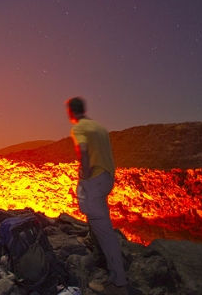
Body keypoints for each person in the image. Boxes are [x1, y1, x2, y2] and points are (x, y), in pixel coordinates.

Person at [65, 97, 128, 295]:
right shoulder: (99, 128)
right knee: (100, 225)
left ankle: (118, 284)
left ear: (70, 112)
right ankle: (114, 276)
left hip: (94, 178)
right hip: (107, 178)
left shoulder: (79, 128)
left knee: (106, 233)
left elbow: (83, 151)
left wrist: (83, 176)